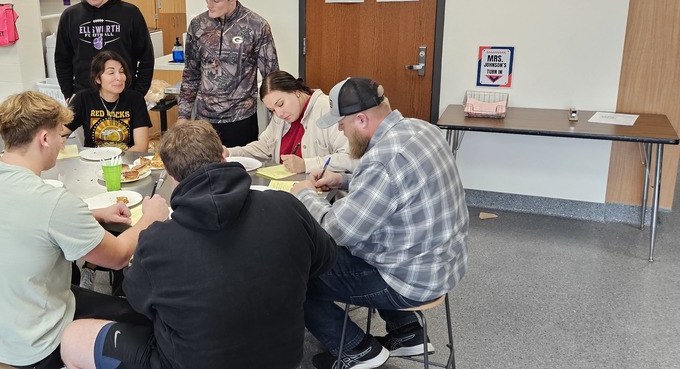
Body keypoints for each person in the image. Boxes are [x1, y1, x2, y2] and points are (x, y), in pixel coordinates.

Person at [59, 120, 338, 369]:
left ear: (173, 176)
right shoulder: (286, 205)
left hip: (186, 360)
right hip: (285, 358)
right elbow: (325, 259)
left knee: (72, 338)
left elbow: (136, 301)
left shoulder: (157, 240)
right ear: (224, 155)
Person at [0, 91, 168, 369]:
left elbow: (22, 218)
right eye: (60, 136)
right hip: (33, 345)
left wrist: (92, 213)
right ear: (44, 138)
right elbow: (119, 257)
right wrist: (150, 218)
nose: (61, 143)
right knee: (147, 318)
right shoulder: (53, 202)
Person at [290, 77, 469, 369]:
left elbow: (337, 231)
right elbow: (398, 188)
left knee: (296, 275)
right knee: (367, 242)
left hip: (410, 279)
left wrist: (306, 196)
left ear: (361, 119)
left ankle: (355, 350)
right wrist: (345, 179)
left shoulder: (383, 160)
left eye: (341, 123)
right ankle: (407, 333)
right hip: (444, 263)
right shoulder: (423, 129)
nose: (339, 129)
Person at [177, 0, 278, 147]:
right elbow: (190, 73)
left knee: (239, 171)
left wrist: (277, 120)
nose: (209, 4)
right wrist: (183, 115)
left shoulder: (257, 26)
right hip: (204, 120)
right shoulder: (198, 25)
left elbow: (271, 77)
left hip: (241, 119)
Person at [55, 0, 155, 100]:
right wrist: (68, 94)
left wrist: (138, 93)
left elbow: (146, 58)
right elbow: (62, 59)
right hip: (83, 96)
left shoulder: (130, 13)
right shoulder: (70, 16)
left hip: (124, 95)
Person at [227, 70, 355, 173]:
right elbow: (264, 147)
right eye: (272, 110)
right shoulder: (280, 117)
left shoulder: (327, 110)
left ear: (296, 91)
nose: (279, 114)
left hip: (324, 194)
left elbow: (351, 159)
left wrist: (306, 165)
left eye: (281, 104)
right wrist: (230, 153)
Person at [63, 50, 151, 152]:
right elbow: (60, 132)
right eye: (111, 72)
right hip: (93, 160)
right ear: (98, 79)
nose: (119, 77)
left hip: (125, 163)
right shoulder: (83, 98)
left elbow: (141, 147)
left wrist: (113, 163)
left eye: (121, 71)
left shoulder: (136, 99)